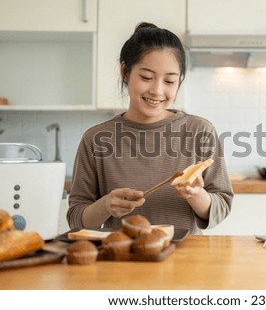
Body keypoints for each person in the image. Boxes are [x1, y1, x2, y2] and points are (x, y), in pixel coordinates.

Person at [67, 22, 233, 234]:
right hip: (124, 258)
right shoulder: (95, 139)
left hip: (186, 261)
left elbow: (222, 206)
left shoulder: (200, 131)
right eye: (146, 77)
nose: (157, 90)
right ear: (125, 71)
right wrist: (105, 205)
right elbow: (76, 219)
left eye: (170, 81)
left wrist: (195, 194)